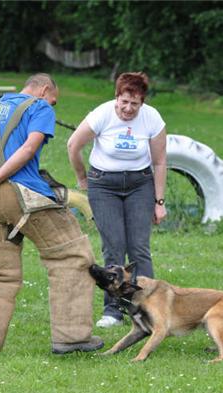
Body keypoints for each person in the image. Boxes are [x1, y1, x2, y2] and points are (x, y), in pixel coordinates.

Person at [0, 73, 103, 363]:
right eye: (54, 100)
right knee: (72, 254)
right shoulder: (39, 107)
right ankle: (72, 338)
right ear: (44, 90)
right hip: (22, 195)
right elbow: (28, 148)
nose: (53, 105)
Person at [67, 72, 167, 328]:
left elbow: (159, 162)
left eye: (134, 103)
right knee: (114, 246)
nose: (128, 108)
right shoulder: (101, 114)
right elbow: (73, 145)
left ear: (142, 103)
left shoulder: (152, 119)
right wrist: (82, 179)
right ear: (117, 97)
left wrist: (159, 202)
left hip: (139, 184)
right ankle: (113, 310)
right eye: (124, 101)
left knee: (139, 248)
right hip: (104, 185)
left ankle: (149, 307)